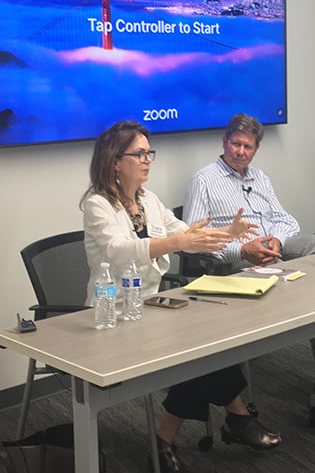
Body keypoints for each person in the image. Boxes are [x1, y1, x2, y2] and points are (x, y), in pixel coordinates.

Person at [81, 121, 281, 473]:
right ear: (115, 160)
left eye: (148, 153)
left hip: (150, 309)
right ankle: (232, 417)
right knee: (196, 352)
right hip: (110, 316)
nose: (147, 160)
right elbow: (117, 250)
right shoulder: (97, 204)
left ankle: (171, 439)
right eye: (139, 153)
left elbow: (189, 233)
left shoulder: (149, 200)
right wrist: (179, 243)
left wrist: (228, 232)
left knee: (205, 342)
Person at [184, 113, 315, 378]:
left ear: (256, 149)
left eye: (247, 146)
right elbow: (195, 239)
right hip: (240, 255)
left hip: (276, 244)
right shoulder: (204, 180)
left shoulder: (260, 178)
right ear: (224, 141)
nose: (240, 152)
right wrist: (242, 249)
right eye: (235, 144)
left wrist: (277, 239)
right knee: (283, 272)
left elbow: (286, 219)